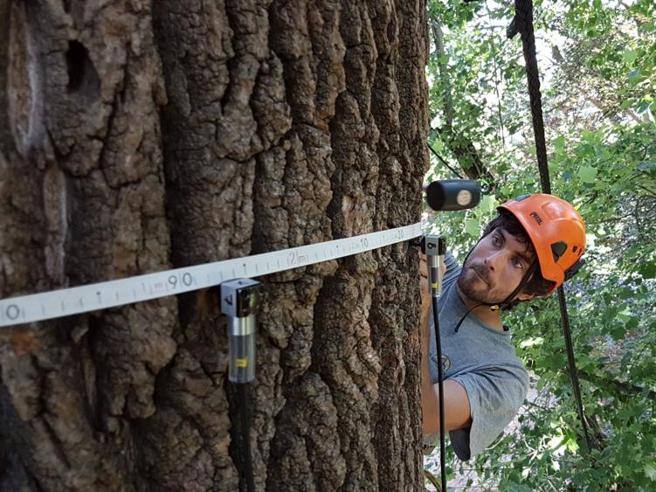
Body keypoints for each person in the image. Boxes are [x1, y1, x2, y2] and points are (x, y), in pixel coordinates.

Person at [420, 193, 586, 460]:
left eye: (517, 262)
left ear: (529, 293)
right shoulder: (436, 265)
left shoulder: (504, 376)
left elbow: (420, 415)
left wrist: (421, 312)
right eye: (497, 241)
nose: (492, 261)